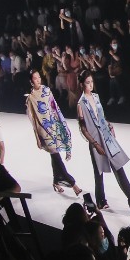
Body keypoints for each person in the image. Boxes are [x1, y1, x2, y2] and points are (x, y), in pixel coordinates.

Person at [76, 72, 130, 214]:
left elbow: (102, 116)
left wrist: (109, 124)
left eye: (91, 82)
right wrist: (95, 144)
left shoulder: (96, 97)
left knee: (119, 168)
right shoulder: (81, 104)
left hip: (106, 136)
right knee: (98, 172)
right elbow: (83, 128)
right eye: (87, 82)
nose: (91, 85)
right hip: (95, 140)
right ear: (82, 84)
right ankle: (101, 201)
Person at [23, 68, 81, 196]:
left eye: (39, 77)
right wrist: (37, 137)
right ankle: (73, 184)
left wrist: (60, 124)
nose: (38, 80)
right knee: (55, 154)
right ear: (31, 81)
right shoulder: (30, 98)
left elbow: (54, 107)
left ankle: (56, 181)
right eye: (35, 78)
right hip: (43, 130)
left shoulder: (46, 90)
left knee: (54, 155)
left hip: (53, 125)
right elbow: (33, 119)